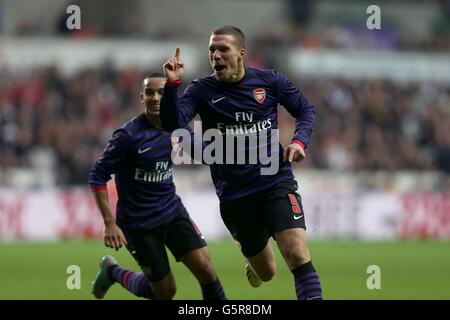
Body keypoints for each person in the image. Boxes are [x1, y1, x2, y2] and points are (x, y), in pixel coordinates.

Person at [160, 26, 323, 300]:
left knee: (296, 252)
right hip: (236, 196)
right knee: (267, 272)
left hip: (275, 181)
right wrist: (172, 86)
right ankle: (253, 264)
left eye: (223, 49)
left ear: (241, 54)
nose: (216, 55)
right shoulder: (201, 90)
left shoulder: (269, 82)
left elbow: (305, 109)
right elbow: (172, 124)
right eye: (212, 50)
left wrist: (299, 141)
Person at [88, 73, 226, 300]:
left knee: (206, 269)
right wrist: (109, 222)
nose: (155, 98)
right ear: (141, 97)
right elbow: (97, 176)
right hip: (139, 223)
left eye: (161, 92)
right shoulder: (128, 136)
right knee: (165, 292)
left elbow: (204, 152)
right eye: (150, 93)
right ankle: (113, 271)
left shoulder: (176, 125)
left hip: (171, 210)